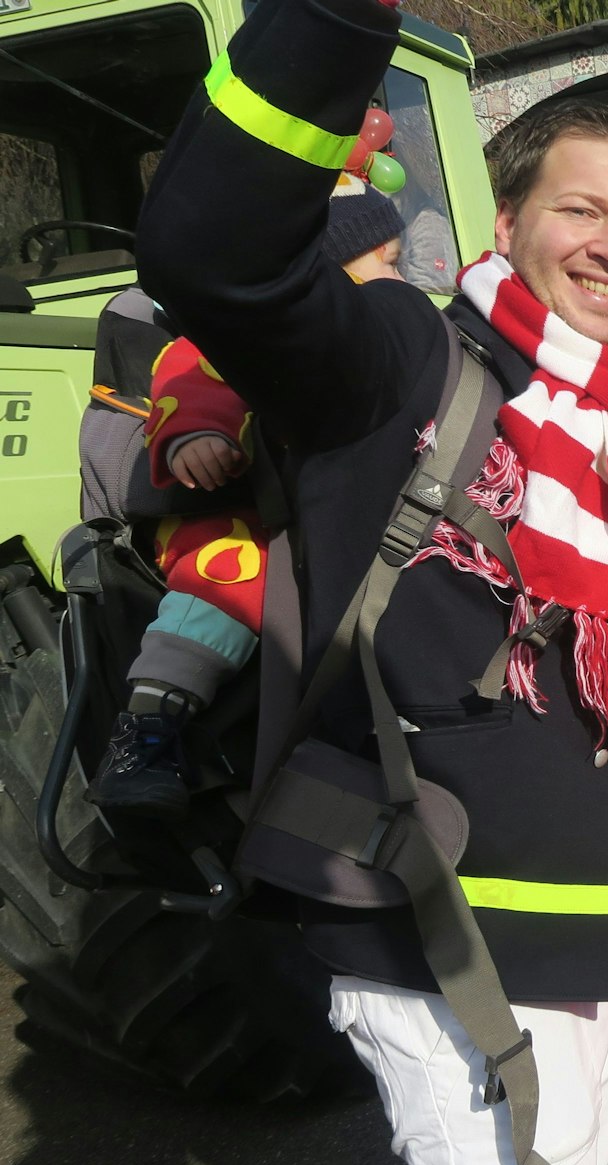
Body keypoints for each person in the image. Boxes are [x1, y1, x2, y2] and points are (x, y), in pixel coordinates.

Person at [137, 0, 608, 1165]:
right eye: (582, 210)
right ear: (507, 226)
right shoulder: (404, 365)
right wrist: (334, 25)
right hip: (454, 952)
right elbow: (214, 251)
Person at [91, 170, 406, 819]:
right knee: (228, 581)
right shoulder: (218, 344)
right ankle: (151, 723)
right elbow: (183, 393)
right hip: (231, 518)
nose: (397, 283)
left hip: (329, 519)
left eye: (398, 264)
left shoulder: (381, 349)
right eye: (382, 266)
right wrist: (192, 440)